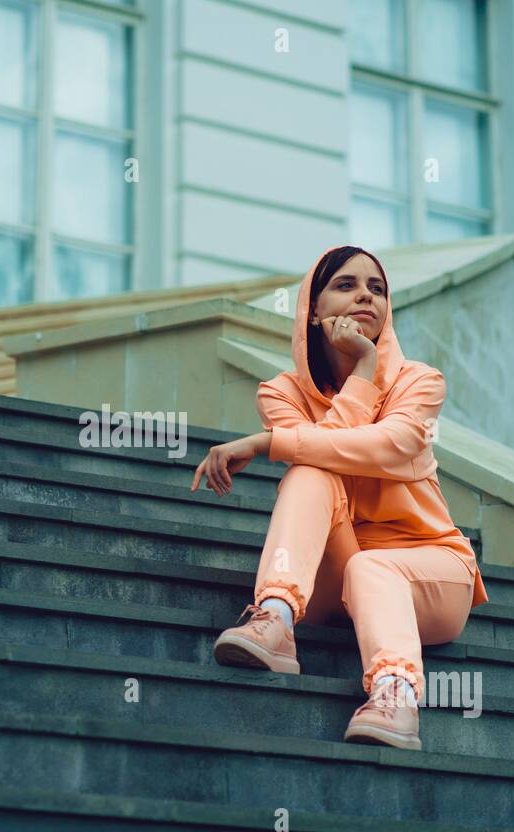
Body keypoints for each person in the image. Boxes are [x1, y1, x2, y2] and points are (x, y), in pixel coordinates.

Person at [190, 244, 489, 750]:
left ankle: (396, 696)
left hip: (430, 573)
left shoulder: (419, 382)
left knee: (370, 564)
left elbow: (390, 445)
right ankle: (277, 618)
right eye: (345, 285)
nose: (365, 297)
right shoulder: (281, 393)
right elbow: (331, 451)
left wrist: (270, 441)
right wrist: (359, 377)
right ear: (312, 308)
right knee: (312, 474)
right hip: (338, 570)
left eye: (377, 288)